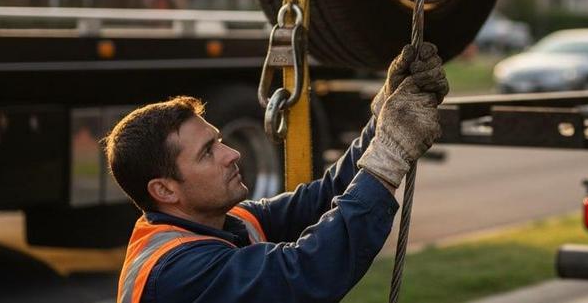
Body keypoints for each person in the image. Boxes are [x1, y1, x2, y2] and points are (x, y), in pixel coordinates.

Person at [104, 42, 449, 303]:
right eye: (208, 153)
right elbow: (304, 274)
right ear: (164, 191)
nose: (233, 154)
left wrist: (385, 114)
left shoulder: (227, 221)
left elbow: (323, 197)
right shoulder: (175, 272)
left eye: (218, 141)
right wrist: (388, 159)